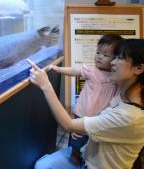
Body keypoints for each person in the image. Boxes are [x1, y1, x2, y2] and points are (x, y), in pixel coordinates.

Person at [26, 38, 144, 169]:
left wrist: (45, 84)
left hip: (94, 165)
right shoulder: (122, 96)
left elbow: (68, 125)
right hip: (87, 153)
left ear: (138, 68)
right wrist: (84, 129)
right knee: (42, 165)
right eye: (114, 57)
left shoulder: (130, 116)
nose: (113, 62)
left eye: (119, 58)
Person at [49, 34, 123, 164]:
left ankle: (88, 161)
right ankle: (74, 160)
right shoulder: (92, 70)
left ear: (116, 58)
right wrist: (59, 69)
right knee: (76, 142)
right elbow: (75, 70)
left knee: (95, 144)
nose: (99, 57)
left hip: (101, 118)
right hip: (82, 114)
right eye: (98, 52)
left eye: (105, 55)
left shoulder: (117, 76)